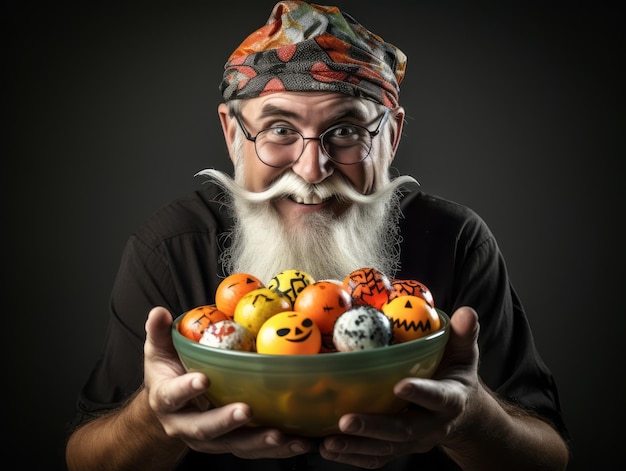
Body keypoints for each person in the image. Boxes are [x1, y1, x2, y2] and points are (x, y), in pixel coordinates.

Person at [65, 1, 570, 470]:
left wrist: (472, 419)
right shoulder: (171, 246)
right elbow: (83, 459)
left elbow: (550, 456)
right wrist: (152, 422)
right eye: (280, 129)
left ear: (391, 136)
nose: (311, 169)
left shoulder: (456, 240)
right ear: (233, 133)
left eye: (347, 130)